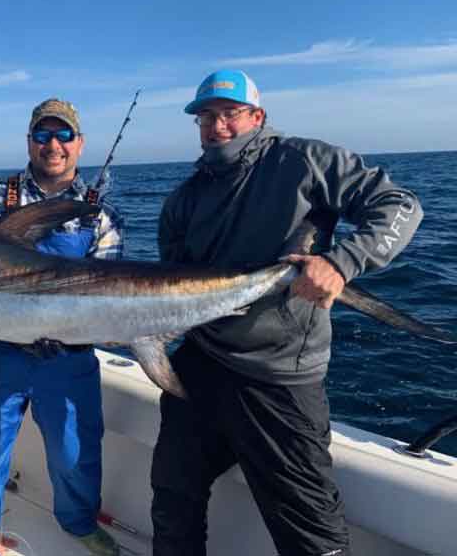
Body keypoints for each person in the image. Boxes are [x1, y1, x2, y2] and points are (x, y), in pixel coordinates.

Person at [151, 69, 423, 556]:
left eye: (230, 114)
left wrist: (341, 262)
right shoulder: (183, 199)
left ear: (257, 116)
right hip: (200, 365)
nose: (217, 126)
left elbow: (399, 204)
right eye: (206, 117)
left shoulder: (305, 160)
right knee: (173, 499)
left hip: (278, 376)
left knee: (310, 533)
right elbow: (171, 285)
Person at [0, 99, 125, 556]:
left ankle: (78, 522)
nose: (53, 145)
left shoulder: (102, 217)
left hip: (67, 358)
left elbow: (108, 293)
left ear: (79, 144)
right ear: (29, 142)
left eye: (63, 135)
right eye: (42, 135)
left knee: (75, 455)